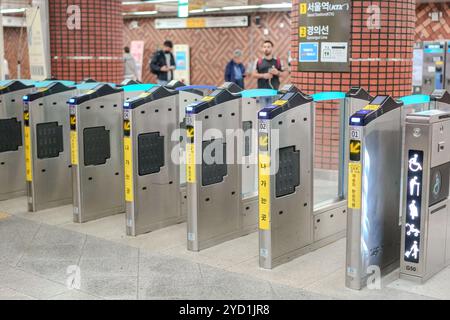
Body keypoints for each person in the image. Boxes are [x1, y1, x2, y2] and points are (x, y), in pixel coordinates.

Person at [252, 40, 286, 106]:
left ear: (272, 48)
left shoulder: (278, 61)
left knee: (274, 112)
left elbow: (285, 74)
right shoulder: (258, 61)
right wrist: (263, 75)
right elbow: (253, 74)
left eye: (268, 47)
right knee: (263, 113)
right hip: (262, 92)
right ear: (262, 48)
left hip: (274, 92)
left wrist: (277, 73)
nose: (266, 49)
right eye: (264, 47)